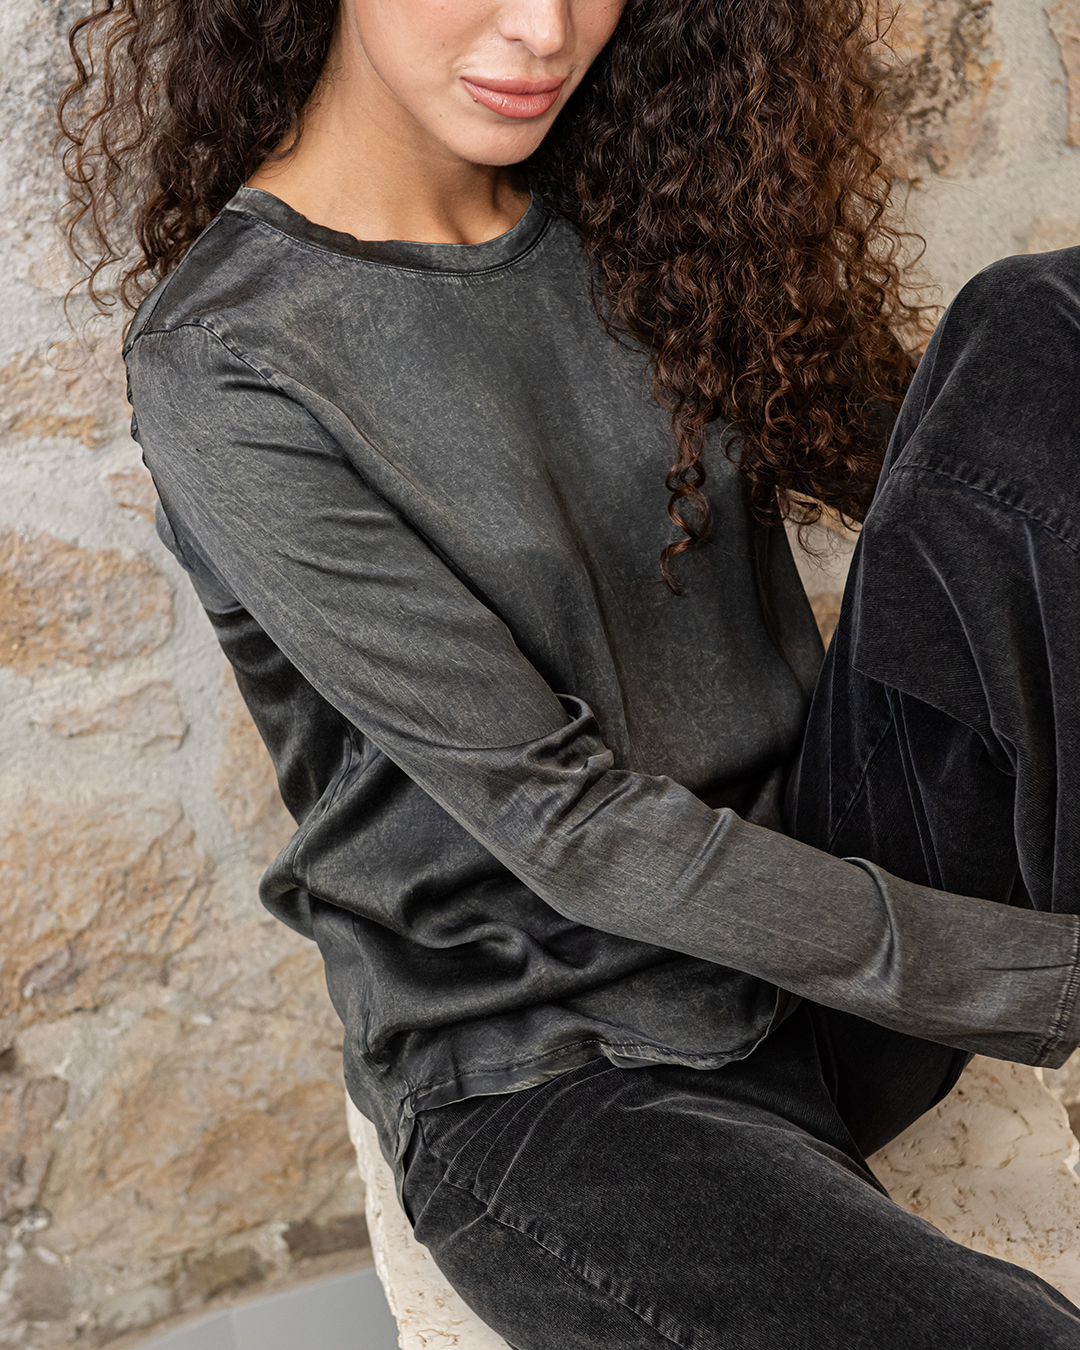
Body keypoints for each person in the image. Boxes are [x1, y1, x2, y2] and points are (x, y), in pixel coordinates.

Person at [57, 0, 1080, 1344]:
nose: (545, 28)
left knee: (1037, 326)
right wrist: (1045, 978)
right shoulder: (230, 358)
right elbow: (569, 828)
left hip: (823, 928)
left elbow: (956, 491)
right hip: (565, 1066)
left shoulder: (648, 207)